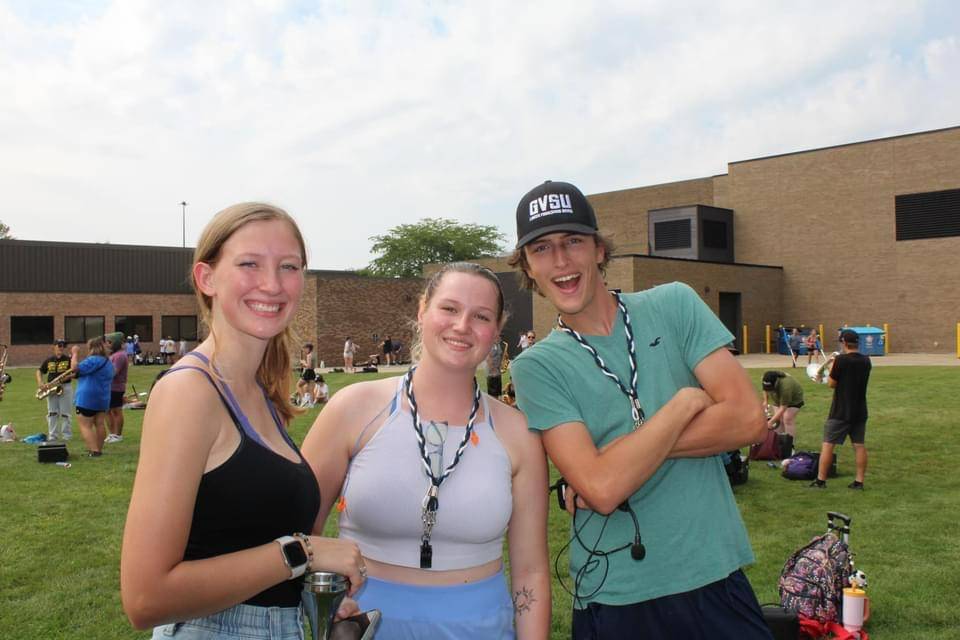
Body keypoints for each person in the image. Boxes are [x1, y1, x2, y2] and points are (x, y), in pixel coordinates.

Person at [507, 180, 770, 639]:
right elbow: (604, 489)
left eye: (573, 242)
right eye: (542, 249)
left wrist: (615, 457)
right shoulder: (537, 366)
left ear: (599, 250)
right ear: (528, 267)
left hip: (713, 574)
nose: (562, 261)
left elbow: (748, 419)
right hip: (616, 597)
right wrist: (685, 404)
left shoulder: (674, 304)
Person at [120, 203, 365, 638]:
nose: (272, 284)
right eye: (249, 264)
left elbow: (244, 538)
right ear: (206, 278)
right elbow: (145, 598)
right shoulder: (189, 393)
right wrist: (302, 552)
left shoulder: (259, 392)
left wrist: (316, 595)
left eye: (288, 267)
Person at [301, 262, 550, 639]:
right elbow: (297, 535)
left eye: (480, 316)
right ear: (422, 311)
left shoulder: (518, 433)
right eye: (449, 308)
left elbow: (530, 571)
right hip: (366, 625)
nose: (462, 325)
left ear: (496, 329)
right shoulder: (352, 409)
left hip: (479, 628)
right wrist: (321, 600)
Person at [810, 329, 872, 490]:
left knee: (828, 445)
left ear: (843, 342)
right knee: (859, 445)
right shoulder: (866, 360)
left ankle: (821, 481)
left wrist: (831, 366)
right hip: (860, 410)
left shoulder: (841, 360)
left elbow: (831, 384)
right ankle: (859, 481)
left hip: (841, 410)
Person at [71, 337, 115, 457]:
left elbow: (74, 367)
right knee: (99, 424)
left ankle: (94, 451)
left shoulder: (92, 360)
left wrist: (74, 353)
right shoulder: (108, 363)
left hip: (87, 398)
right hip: (103, 398)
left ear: (92, 348)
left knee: (85, 425)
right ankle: (98, 449)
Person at [36, 340, 74, 442]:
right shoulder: (49, 360)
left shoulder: (69, 359)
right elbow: (39, 370)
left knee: (66, 413)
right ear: (54, 346)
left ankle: (67, 436)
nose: (61, 347)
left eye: (63, 346)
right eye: (59, 345)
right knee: (52, 413)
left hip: (65, 387)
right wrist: (40, 383)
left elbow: (75, 373)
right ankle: (53, 436)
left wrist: (67, 377)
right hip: (52, 388)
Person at [761, 370, 804, 456]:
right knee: (779, 421)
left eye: (771, 388)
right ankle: (778, 445)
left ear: (776, 381)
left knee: (787, 418)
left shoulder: (786, 385)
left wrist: (770, 422)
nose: (770, 390)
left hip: (794, 400)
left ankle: (789, 447)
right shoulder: (765, 378)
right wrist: (765, 401)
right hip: (777, 399)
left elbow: (783, 407)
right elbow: (765, 389)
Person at [106, 332, 128, 443]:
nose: (107, 344)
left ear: (116, 343)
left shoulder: (119, 356)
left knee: (116, 411)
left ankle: (118, 435)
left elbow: (113, 372)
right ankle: (112, 433)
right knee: (107, 411)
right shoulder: (114, 355)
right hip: (109, 387)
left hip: (116, 387)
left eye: (109, 342)